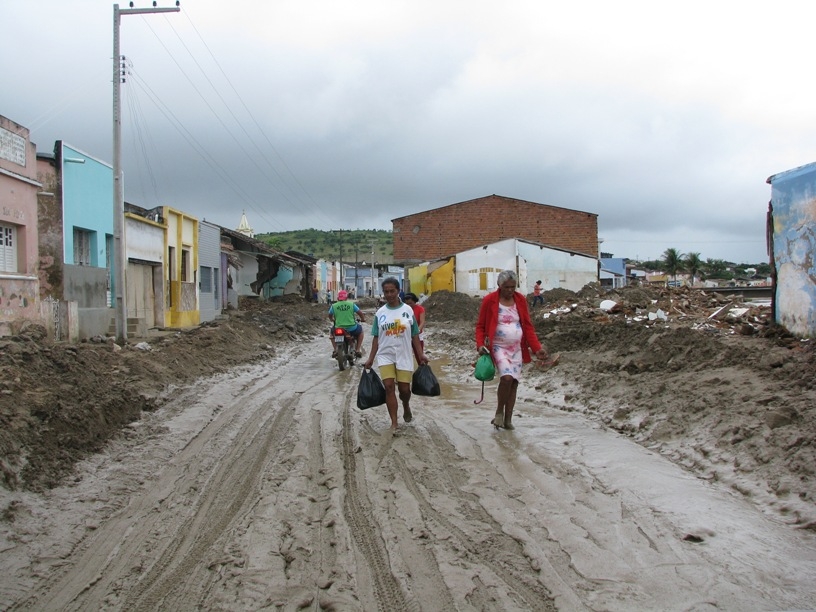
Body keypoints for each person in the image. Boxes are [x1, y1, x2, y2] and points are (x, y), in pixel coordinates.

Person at [475, 270, 549, 430]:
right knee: (507, 378)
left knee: (514, 382)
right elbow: (480, 325)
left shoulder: (520, 300)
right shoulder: (490, 301)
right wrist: (480, 344)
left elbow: (528, 326)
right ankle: (499, 412)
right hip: (498, 347)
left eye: (513, 287)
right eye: (507, 287)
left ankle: (508, 418)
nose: (510, 290)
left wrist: (537, 348)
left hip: (517, 348)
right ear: (499, 286)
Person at [364, 277, 428, 431]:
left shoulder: (407, 310)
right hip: (385, 355)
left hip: (404, 355)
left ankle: (406, 405)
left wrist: (421, 356)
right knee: (389, 387)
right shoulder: (380, 313)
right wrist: (371, 359)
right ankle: (394, 422)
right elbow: (376, 337)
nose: (389, 294)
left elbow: (414, 335)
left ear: (398, 291)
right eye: (386, 291)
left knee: (405, 390)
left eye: (392, 291)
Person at [328, 290, 365, 358]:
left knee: (331, 334)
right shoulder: (351, 304)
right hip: (352, 328)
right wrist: (363, 319)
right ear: (346, 297)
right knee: (361, 332)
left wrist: (331, 319)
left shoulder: (334, 306)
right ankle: (357, 350)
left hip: (338, 328)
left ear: (338, 298)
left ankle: (335, 349)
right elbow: (360, 313)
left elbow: (330, 315)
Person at [402, 292, 426, 363]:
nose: (409, 305)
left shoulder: (420, 309)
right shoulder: (403, 310)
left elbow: (422, 322)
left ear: (415, 301)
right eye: (407, 303)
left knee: (419, 355)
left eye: (410, 303)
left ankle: (422, 368)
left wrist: (417, 330)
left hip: (418, 334)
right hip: (406, 335)